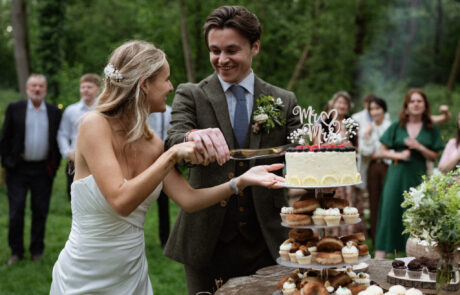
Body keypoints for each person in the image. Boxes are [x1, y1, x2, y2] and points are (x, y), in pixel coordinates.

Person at [50, 40, 285, 295]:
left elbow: (189, 199)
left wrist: (242, 181)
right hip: (83, 274)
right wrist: (171, 154)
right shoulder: (95, 125)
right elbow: (120, 201)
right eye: (166, 79)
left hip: (132, 276)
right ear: (144, 84)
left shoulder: (152, 145)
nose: (171, 87)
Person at [164, 6, 301, 294]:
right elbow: (173, 139)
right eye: (215, 51)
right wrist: (192, 136)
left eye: (232, 50)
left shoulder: (284, 100)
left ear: (255, 47)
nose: (222, 60)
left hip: (267, 238)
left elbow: (302, 153)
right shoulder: (191, 94)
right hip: (206, 238)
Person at [374, 89, 444, 259]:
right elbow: (381, 151)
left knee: (415, 216)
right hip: (396, 176)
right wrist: (397, 155)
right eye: (412, 101)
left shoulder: (431, 127)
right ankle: (379, 257)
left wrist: (419, 147)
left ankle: (414, 259)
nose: (416, 104)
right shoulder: (397, 126)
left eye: (419, 101)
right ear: (406, 106)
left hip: (418, 177)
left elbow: (435, 155)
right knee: (389, 212)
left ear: (425, 105)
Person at [0, 74, 62, 265]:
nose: (37, 89)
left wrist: (55, 164)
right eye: (34, 86)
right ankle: (16, 252)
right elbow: (5, 137)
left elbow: (59, 140)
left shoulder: (54, 111)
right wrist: (7, 162)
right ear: (27, 89)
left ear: (45, 89)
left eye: (41, 86)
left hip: (43, 170)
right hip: (18, 169)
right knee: (16, 211)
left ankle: (37, 250)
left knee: (40, 211)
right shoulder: (15, 108)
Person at [320, 91, 364, 235]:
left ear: (348, 106)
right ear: (333, 103)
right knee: (332, 202)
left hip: (348, 168)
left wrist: (349, 145)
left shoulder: (352, 124)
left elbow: (357, 148)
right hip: (330, 168)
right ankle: (332, 234)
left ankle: (347, 235)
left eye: (345, 103)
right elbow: (317, 145)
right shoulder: (325, 122)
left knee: (347, 202)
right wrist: (331, 144)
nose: (342, 105)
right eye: (339, 102)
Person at [57, 73, 101, 200]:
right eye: (83, 87)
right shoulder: (71, 110)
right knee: (75, 198)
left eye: (89, 87)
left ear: (97, 89)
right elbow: (62, 134)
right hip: (75, 161)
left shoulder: (103, 109)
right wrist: (67, 152)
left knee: (97, 198)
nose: (85, 90)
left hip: (99, 160)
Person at [358, 97, 391, 243]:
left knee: (389, 201)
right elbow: (365, 152)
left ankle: (390, 239)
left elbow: (392, 149)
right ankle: (377, 240)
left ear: (384, 110)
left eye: (378, 108)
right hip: (372, 168)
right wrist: (366, 134)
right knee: (374, 201)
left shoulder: (390, 126)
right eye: (372, 109)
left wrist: (379, 153)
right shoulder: (367, 128)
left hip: (388, 167)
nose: (375, 112)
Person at [147, 106, 172, 247]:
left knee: (163, 204)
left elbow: (170, 135)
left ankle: (165, 239)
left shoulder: (168, 112)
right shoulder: (135, 112)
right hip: (139, 164)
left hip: (161, 163)